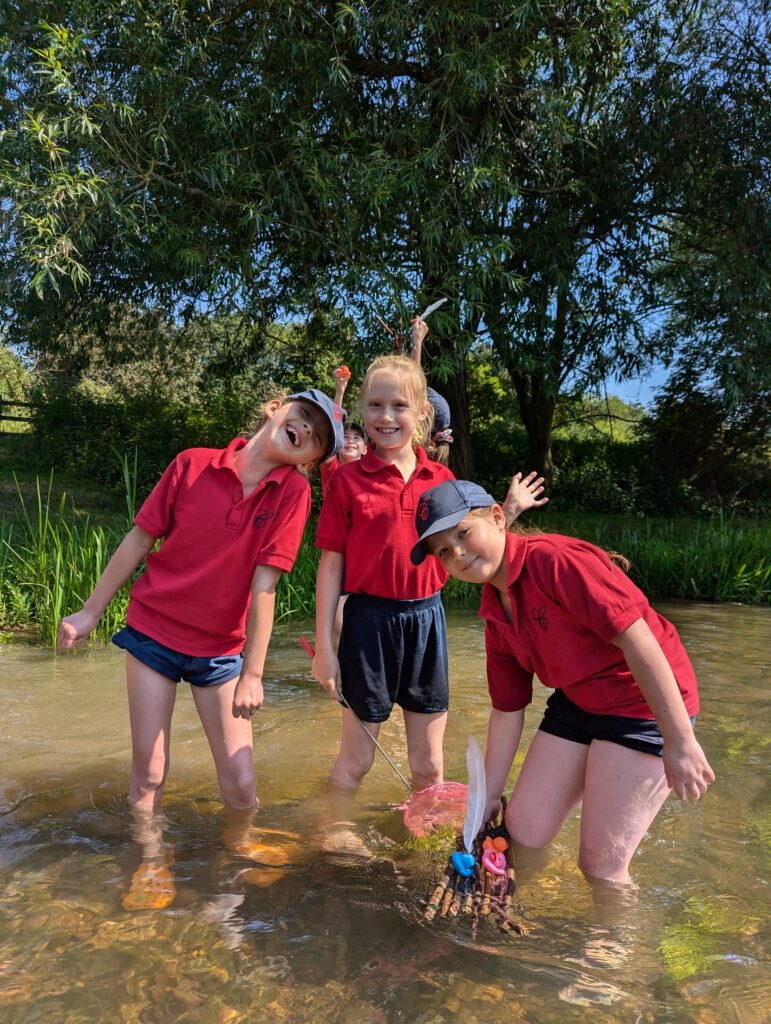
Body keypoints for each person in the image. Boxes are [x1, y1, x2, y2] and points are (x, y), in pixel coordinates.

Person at [57, 389, 344, 908]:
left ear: (311, 460)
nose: (306, 430)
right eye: (303, 417)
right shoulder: (191, 464)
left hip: (219, 653)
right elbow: (139, 539)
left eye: (318, 438)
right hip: (152, 634)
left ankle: (235, 850)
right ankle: (150, 860)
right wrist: (90, 610)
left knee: (240, 782)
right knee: (148, 772)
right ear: (273, 406)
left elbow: (265, 586)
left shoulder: (293, 494)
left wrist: (253, 672)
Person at [409, 480, 716, 886]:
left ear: (499, 517)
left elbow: (638, 637)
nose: (459, 553)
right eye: (444, 551)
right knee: (522, 831)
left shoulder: (556, 562)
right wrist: (486, 799)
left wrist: (678, 740)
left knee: (601, 866)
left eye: (464, 533)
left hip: (642, 705)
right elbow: (507, 710)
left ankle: (608, 945)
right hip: (578, 700)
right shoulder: (494, 614)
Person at [311, 353, 548, 818]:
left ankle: (424, 839)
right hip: (367, 624)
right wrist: (325, 646)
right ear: (362, 410)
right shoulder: (347, 482)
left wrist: (511, 508)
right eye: (375, 405)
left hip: (427, 621)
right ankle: (330, 833)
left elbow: (474, 544)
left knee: (429, 765)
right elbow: (329, 566)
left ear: (422, 413)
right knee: (357, 761)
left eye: (399, 405)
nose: (385, 417)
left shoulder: (441, 480)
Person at [319, 366, 368, 494]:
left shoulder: (371, 472)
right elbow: (334, 428)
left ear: (365, 449)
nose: (350, 441)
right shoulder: (332, 467)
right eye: (345, 437)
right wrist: (340, 392)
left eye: (357, 437)